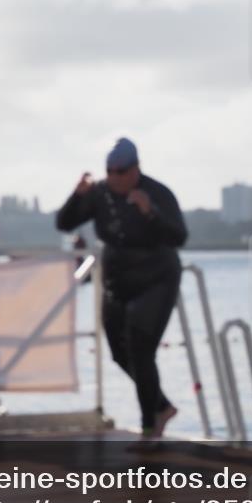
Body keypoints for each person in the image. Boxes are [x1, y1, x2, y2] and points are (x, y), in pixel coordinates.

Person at [56, 137, 187, 441]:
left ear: (135, 170)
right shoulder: (99, 193)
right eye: (110, 171)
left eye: (121, 172)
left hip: (157, 277)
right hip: (117, 280)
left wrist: (150, 212)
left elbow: (179, 236)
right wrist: (77, 196)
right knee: (118, 352)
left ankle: (148, 428)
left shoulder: (157, 192)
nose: (114, 177)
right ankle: (162, 406)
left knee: (142, 349)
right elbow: (64, 223)